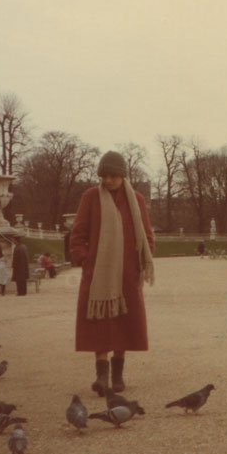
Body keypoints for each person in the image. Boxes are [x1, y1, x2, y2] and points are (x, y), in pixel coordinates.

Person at [70, 150, 155, 396]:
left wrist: (142, 260)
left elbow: (147, 235)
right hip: (99, 275)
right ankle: (101, 376)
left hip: (128, 273)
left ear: (123, 175)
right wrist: (87, 261)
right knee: (100, 323)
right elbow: (77, 234)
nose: (108, 180)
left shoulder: (136, 199)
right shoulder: (91, 197)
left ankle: (118, 376)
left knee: (124, 323)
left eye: (113, 176)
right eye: (104, 175)